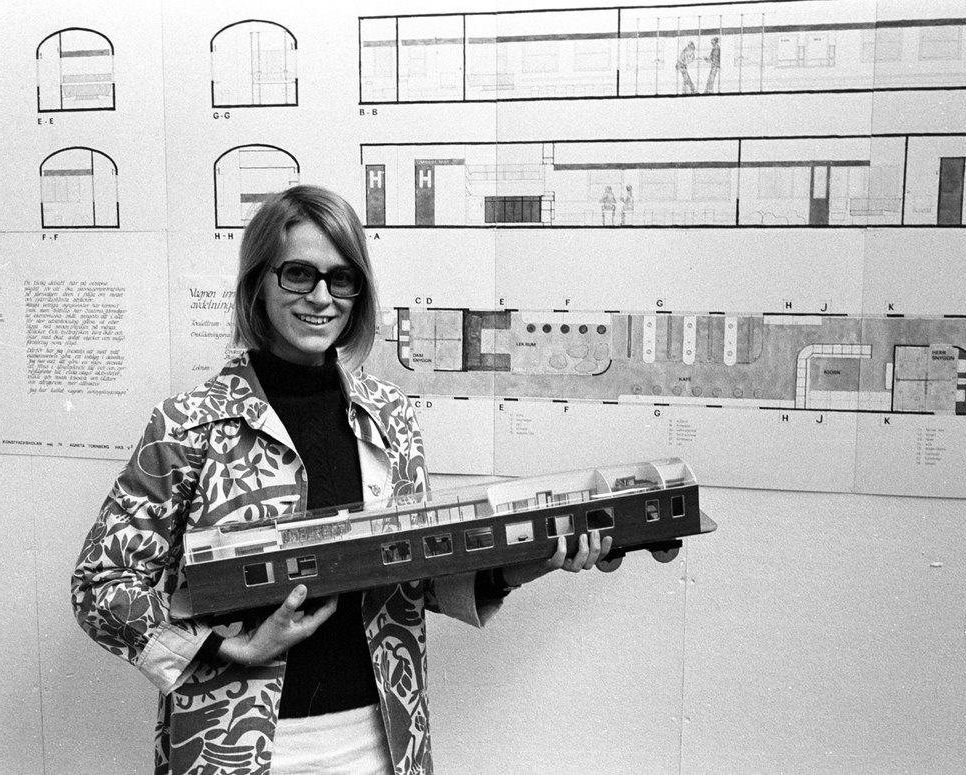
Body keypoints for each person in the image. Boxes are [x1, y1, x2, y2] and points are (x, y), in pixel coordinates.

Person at [71, 184, 618, 775]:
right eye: (298, 274)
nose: (321, 297)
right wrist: (232, 647)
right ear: (257, 282)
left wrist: (531, 563)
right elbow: (100, 584)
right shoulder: (188, 425)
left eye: (342, 278)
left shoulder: (389, 416)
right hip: (233, 747)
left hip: (380, 744)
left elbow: (419, 576)